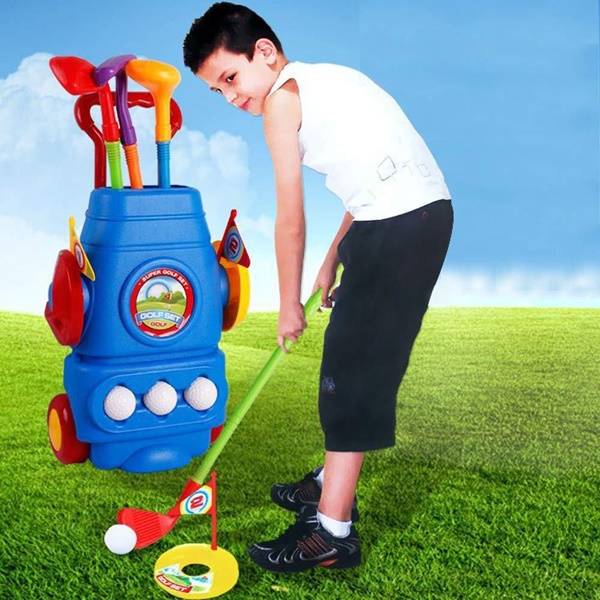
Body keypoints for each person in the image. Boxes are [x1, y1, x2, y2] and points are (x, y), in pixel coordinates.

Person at [183, 2, 453, 573]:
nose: (229, 97)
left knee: (349, 372)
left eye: (229, 78)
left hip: (399, 225)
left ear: (263, 52)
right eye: (217, 91)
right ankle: (328, 480)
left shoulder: (282, 102)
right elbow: (370, 178)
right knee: (356, 360)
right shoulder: (329, 79)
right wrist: (333, 259)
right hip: (408, 218)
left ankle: (331, 533)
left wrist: (287, 304)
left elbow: (290, 217)